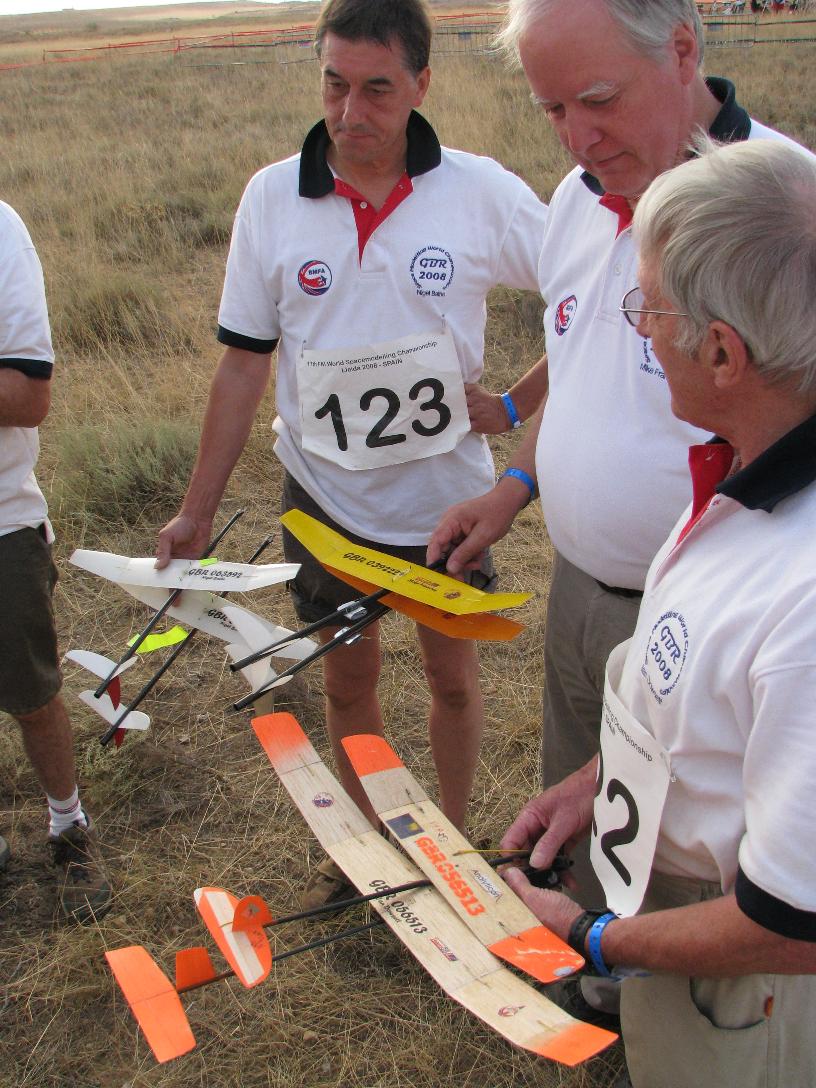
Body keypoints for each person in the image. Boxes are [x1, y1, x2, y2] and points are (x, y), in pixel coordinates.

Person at [156, 0, 547, 907]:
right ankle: (369, 856)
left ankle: (452, 850)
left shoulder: (479, 192)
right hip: (326, 504)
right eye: (334, 84)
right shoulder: (271, 198)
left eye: (377, 89)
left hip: (447, 504)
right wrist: (195, 512)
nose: (350, 111)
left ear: (421, 84)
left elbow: (591, 293)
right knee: (348, 680)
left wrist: (516, 404)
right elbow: (243, 365)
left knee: (452, 679)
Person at [428, 0, 811, 912]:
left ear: (681, 50)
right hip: (579, 592)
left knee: (681, 881)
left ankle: (627, 966)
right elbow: (576, 362)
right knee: (579, 824)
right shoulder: (575, 199)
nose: (577, 138)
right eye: (552, 109)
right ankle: (585, 959)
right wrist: (514, 488)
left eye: (598, 99)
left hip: (717, 639)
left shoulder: (787, 211)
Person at [495, 136, 816, 1088]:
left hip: (746, 989)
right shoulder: (743, 460)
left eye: (649, 310)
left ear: (722, 351)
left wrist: (592, 937)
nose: (638, 331)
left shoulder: (803, 600)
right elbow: (720, 716)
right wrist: (602, 779)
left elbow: (793, 925)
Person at [0, 201, 111, 924]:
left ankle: (68, 827)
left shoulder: (1, 231)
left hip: (1, 519)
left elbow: (27, 394)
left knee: (32, 691)